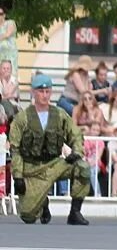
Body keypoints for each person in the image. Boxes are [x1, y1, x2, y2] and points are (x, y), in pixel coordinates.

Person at [8, 74, 91, 225]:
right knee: (28, 216)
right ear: (33, 92)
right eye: (41, 91)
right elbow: (16, 150)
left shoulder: (59, 115)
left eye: (47, 91)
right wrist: (18, 175)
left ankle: (75, 212)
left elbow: (76, 135)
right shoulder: (22, 118)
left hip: (54, 164)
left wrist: (77, 152)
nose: (44, 95)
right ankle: (43, 203)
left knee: (83, 168)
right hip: (31, 169)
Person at [0, 6, 17, 78]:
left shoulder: (10, 23)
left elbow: (8, 34)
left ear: (4, 15)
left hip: (10, 56)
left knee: (11, 78)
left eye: (0, 13)